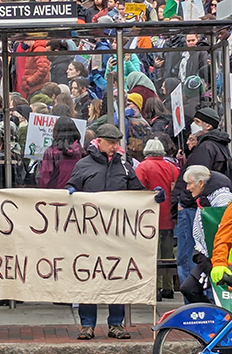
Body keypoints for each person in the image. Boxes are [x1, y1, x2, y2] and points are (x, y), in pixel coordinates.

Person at [66, 124, 163, 340]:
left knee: (117, 276)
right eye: (111, 142)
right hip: (90, 234)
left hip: (118, 234)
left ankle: (116, 324)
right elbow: (70, 190)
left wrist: (152, 197)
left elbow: (137, 193)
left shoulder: (126, 167)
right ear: (98, 141)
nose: (115, 147)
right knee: (88, 277)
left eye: (117, 142)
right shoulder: (83, 165)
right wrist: (70, 192)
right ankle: (87, 324)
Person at [171, 107, 232, 287]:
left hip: (193, 208)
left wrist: (183, 200)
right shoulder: (220, 146)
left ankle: (196, 309)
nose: (192, 125)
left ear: (207, 126)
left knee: (188, 260)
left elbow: (196, 180)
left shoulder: (205, 147)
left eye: (197, 122)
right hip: (200, 206)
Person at [135, 138, 180, 301]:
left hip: (150, 216)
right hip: (169, 216)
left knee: (153, 253)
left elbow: (138, 190)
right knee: (167, 252)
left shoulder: (143, 167)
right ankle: (169, 286)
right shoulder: (172, 167)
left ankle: (157, 287)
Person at [179, 166, 232, 303]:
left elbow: (223, 233)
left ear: (201, 183)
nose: (187, 188)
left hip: (218, 257)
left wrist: (217, 262)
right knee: (189, 288)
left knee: (193, 289)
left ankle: (217, 320)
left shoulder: (222, 199)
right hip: (209, 255)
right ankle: (215, 320)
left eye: (190, 183)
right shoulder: (207, 197)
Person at [37, 116, 85, 189]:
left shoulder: (51, 152)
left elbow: (45, 177)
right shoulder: (81, 151)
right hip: (76, 193)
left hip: (56, 194)